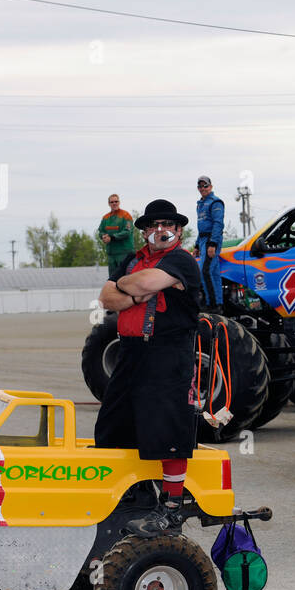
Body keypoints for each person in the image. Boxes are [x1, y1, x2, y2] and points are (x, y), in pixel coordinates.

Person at [95, 199, 203, 532]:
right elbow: (106, 296)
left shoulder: (182, 261)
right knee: (113, 425)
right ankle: (131, 499)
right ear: (144, 232)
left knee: (167, 428)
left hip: (168, 353)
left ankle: (172, 509)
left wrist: (132, 287)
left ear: (179, 230)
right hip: (131, 353)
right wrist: (137, 291)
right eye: (154, 225)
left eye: (168, 225)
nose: (161, 230)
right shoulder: (132, 259)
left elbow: (136, 285)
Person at [194, 176, 225, 309]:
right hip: (202, 240)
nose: (203, 189)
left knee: (206, 271)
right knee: (213, 272)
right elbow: (201, 226)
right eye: (200, 186)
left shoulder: (215, 202)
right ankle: (218, 303)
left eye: (205, 186)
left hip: (211, 240)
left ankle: (213, 304)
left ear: (210, 187)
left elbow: (218, 224)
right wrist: (196, 245)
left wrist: (213, 244)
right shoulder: (200, 204)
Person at [97, 194, 136, 277]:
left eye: (116, 201)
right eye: (112, 202)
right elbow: (100, 231)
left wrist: (112, 238)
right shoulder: (105, 218)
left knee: (126, 278)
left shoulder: (126, 215)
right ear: (109, 204)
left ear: (119, 202)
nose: (114, 203)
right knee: (113, 279)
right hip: (112, 254)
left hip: (125, 253)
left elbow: (127, 232)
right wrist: (103, 236)